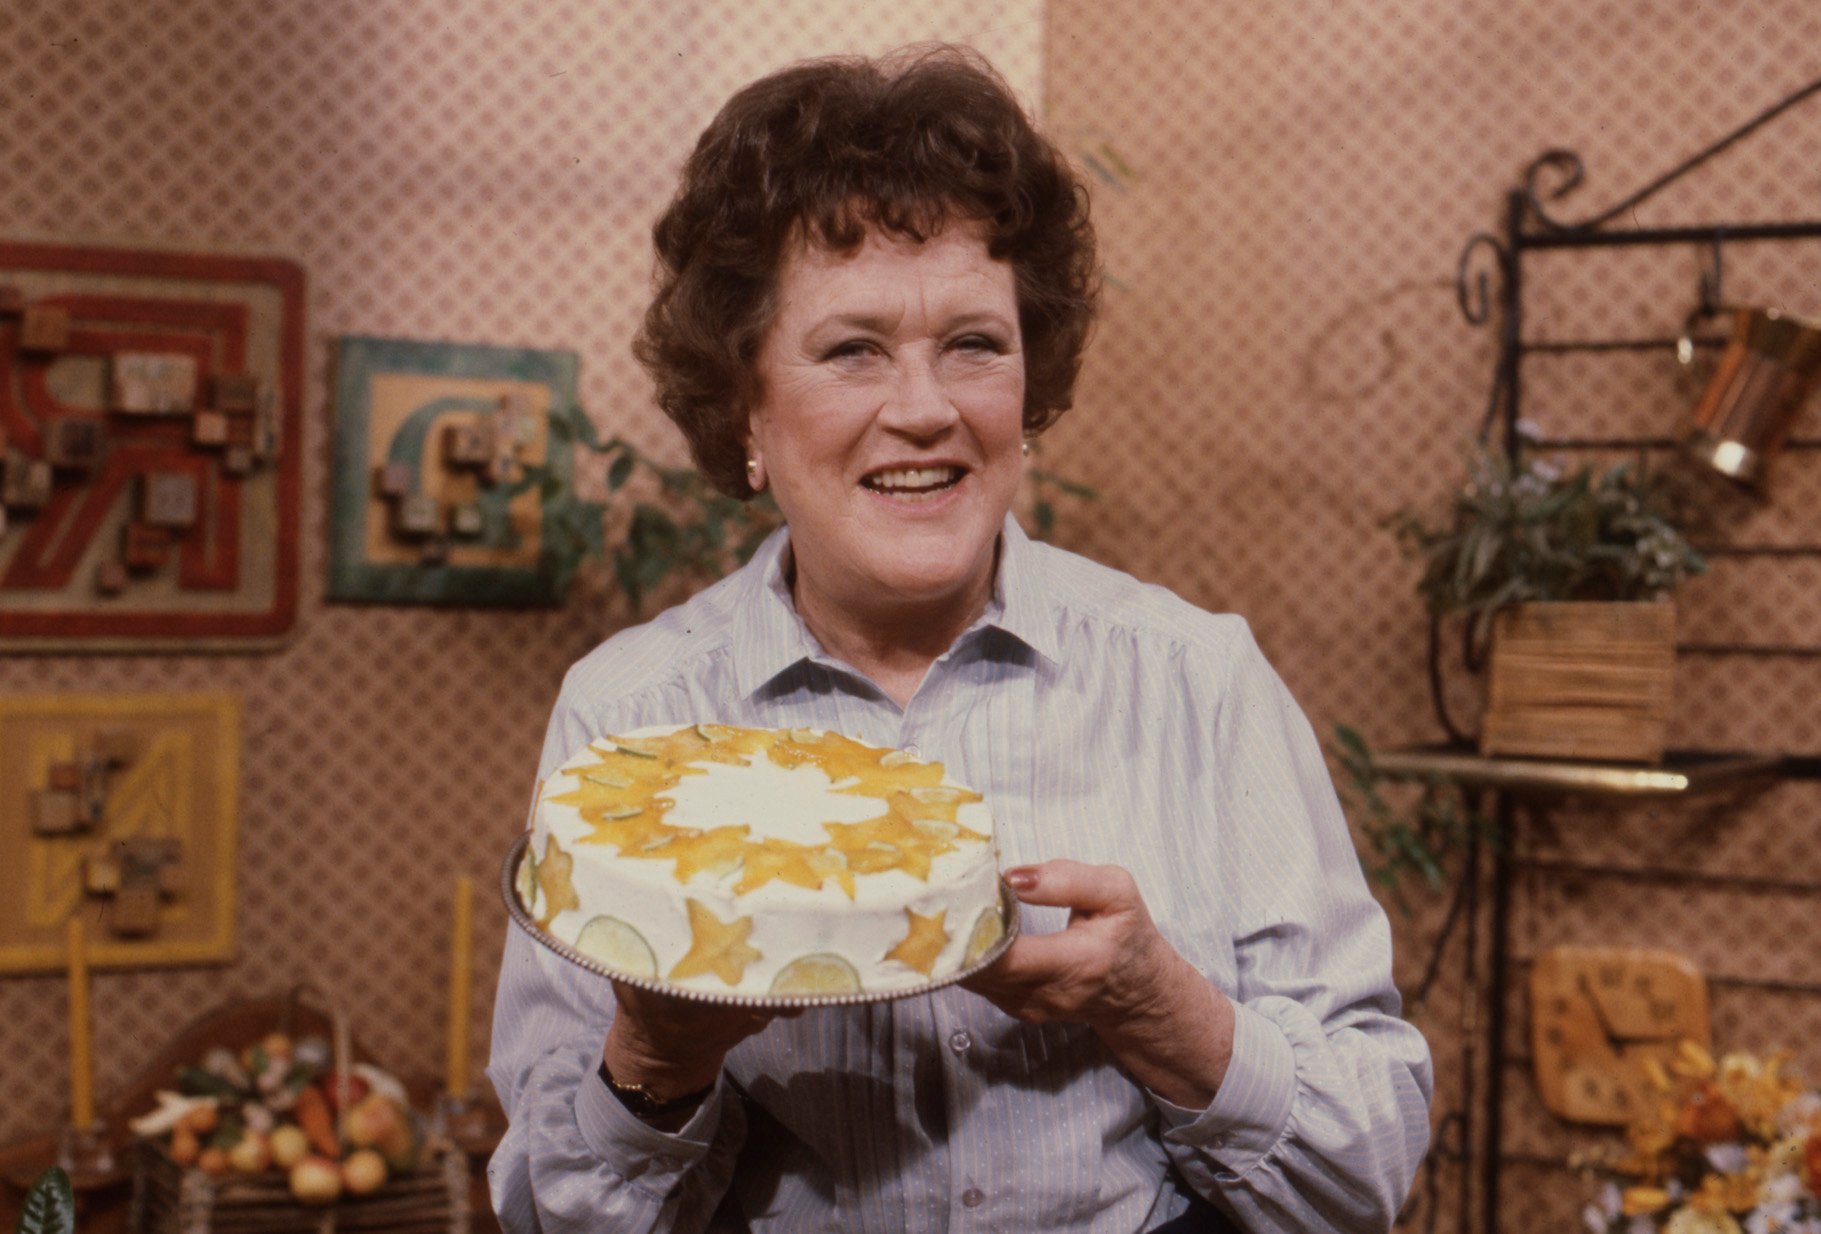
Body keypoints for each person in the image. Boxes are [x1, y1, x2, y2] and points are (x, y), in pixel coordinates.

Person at [487, 45, 1432, 1233]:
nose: (926, 408)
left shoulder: (1199, 679)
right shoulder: (629, 712)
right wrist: (655, 1058)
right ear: (746, 408)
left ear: (1030, 387)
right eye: (853, 349)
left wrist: (1159, 1007)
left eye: (974, 344)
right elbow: (549, 1215)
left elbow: (1365, 1174)